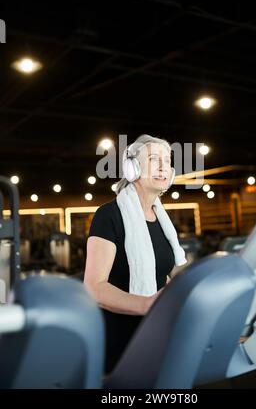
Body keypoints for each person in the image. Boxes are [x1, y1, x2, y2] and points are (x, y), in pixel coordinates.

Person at [84, 134, 186, 373]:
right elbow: (94, 286)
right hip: (118, 340)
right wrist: (146, 304)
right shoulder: (109, 215)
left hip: (155, 333)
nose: (164, 167)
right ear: (133, 167)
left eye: (167, 160)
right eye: (154, 159)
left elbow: (159, 275)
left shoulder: (162, 220)